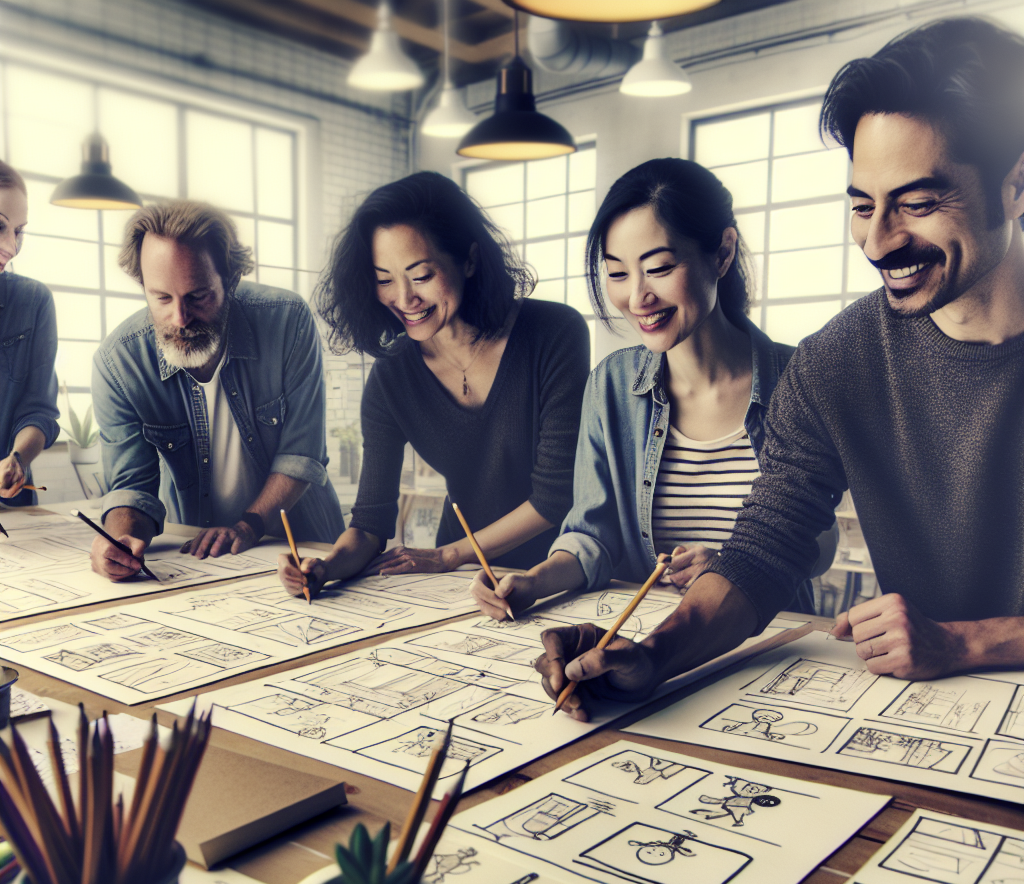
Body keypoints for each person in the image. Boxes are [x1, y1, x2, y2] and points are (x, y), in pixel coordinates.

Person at [535, 17, 1024, 720]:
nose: (879, 241)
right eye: (863, 206)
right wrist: (653, 656)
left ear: (1015, 184)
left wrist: (965, 642)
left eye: (918, 204)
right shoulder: (837, 362)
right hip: (932, 723)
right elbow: (763, 552)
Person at [471, 159, 836, 623]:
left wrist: (733, 566)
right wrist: (532, 581)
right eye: (618, 273)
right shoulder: (612, 385)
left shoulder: (799, 378)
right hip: (649, 636)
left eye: (659, 268)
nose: (637, 297)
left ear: (723, 253)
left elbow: (821, 544)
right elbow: (592, 535)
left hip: (769, 635)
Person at [278, 171, 589, 598]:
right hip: (462, 582)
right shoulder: (391, 378)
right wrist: (325, 567)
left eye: (421, 275)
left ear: (469, 260)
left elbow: (554, 498)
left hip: (560, 570)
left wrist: (449, 555)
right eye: (384, 279)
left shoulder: (554, 332)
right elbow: (369, 524)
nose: (404, 299)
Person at [90, 200, 344, 581]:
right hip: (200, 559)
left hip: (304, 548)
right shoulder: (117, 363)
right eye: (162, 298)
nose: (180, 318)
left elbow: (302, 453)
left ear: (231, 279)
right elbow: (131, 486)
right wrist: (121, 541)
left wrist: (247, 526)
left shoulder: (288, 320)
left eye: (198, 296)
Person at [0, 160, 60, 504]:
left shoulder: (33, 301)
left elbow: (39, 411)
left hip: (11, 509)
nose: (10, 247)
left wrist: (16, 459)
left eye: (18, 231)